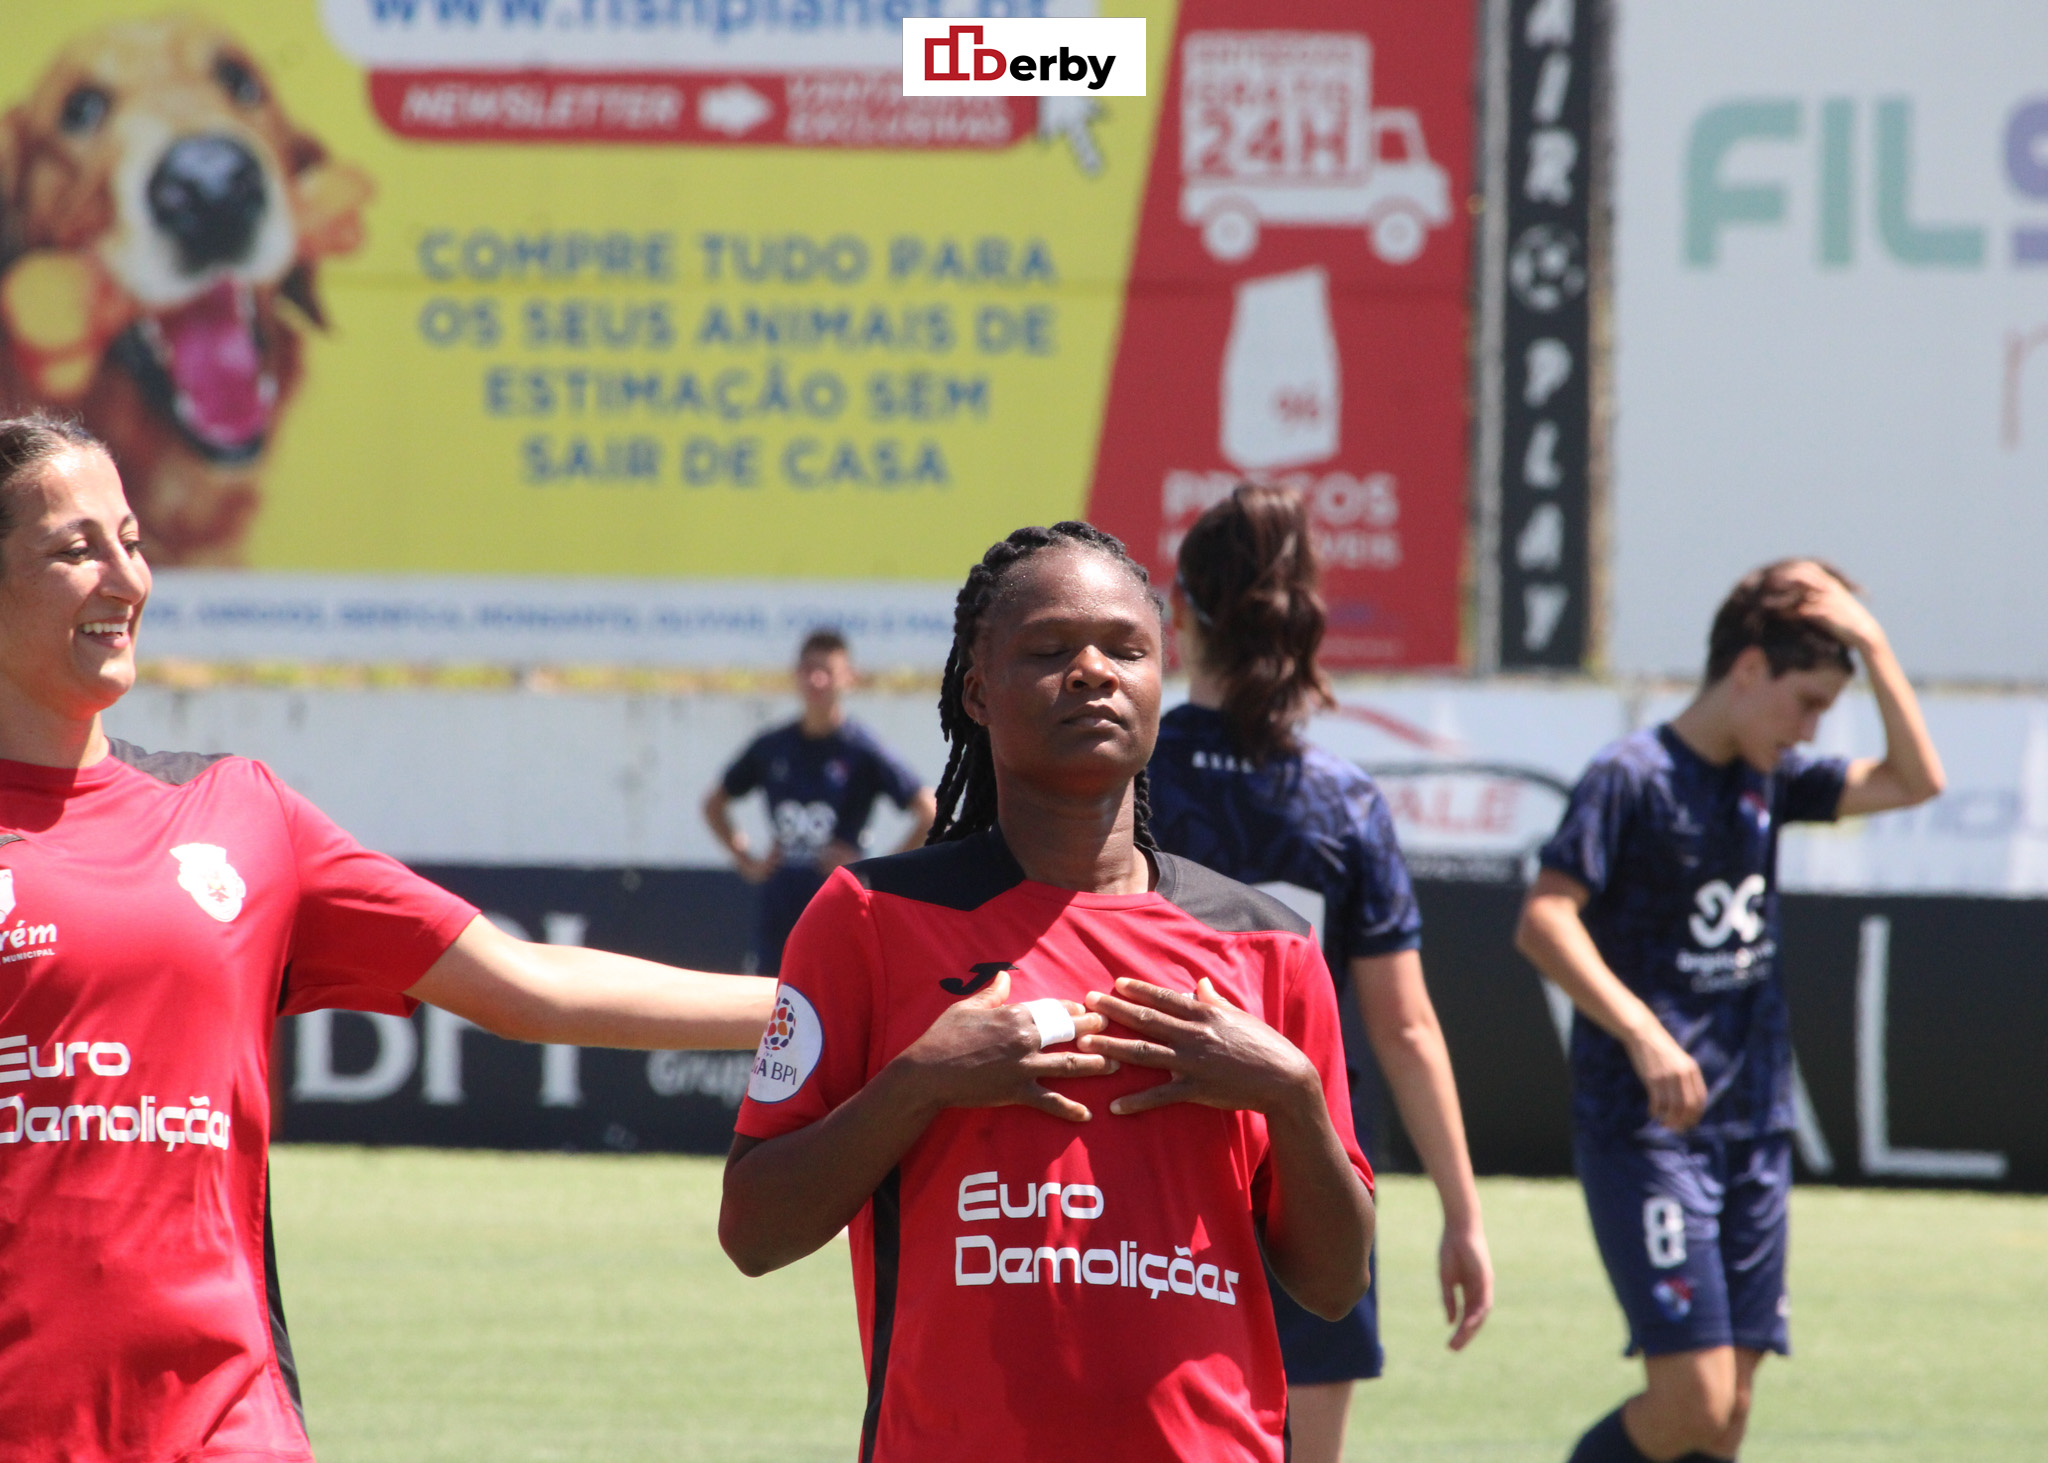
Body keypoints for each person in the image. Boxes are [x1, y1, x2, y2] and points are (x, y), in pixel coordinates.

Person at [0, 415, 777, 1463]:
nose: (124, 577)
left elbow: (529, 984)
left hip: (225, 1425)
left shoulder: (237, 811)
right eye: (74, 546)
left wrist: (828, 998)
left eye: (132, 540)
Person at [718, 521, 1376, 1463]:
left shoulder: (1268, 945)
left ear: (1159, 678)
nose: (1094, 671)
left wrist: (1289, 1088)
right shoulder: (868, 917)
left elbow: (1334, 1278)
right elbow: (754, 1229)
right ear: (978, 692)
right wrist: (921, 1080)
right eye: (1050, 650)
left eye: (1126, 648)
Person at [1515, 560, 1943, 1463]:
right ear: (1748, 670)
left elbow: (1915, 779)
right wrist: (1643, 1033)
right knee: (1693, 1402)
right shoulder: (1631, 775)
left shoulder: (1771, 777)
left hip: (1753, 1129)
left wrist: (1872, 641)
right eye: (1807, 702)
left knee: (1731, 1413)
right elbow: (1544, 920)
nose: (1811, 729)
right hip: (1649, 1129)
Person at [1147, 483, 1494, 1463]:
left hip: (1149, 1175)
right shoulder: (1344, 802)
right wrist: (1461, 1214)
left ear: (1178, 613)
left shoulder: (1120, 781)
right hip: (1312, 1184)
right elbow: (1405, 1027)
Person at [702, 627, 936, 974]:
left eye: (827, 671)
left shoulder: (861, 749)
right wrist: (747, 860)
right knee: (770, 1012)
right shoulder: (773, 746)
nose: (817, 679)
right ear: (796, 675)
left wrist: (874, 872)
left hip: (838, 909)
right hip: (780, 910)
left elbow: (929, 811)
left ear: (848, 679)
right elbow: (714, 804)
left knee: (835, 1012)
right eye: (809, 669)